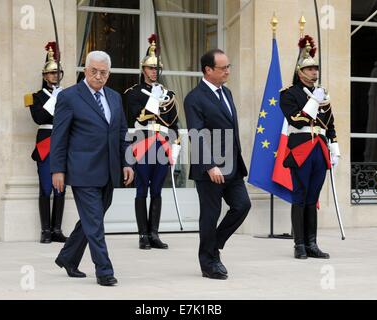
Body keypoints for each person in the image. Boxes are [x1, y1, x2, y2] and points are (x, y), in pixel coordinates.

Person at [50, 51, 134, 286]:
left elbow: (121, 133)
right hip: (82, 170)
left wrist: (127, 162)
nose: (99, 76)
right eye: (94, 71)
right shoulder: (69, 97)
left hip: (109, 171)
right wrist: (57, 169)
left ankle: (68, 257)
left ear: (109, 73)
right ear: (85, 70)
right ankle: (104, 270)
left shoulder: (115, 97)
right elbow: (59, 136)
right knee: (95, 222)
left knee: (91, 220)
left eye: (103, 72)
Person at [184, 49, 251, 280]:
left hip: (232, 166)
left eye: (228, 66)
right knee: (210, 216)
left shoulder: (227, 93)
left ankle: (214, 247)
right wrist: (210, 164)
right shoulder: (194, 98)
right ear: (208, 70)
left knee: (242, 206)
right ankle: (208, 263)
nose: (227, 71)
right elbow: (197, 133)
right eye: (223, 68)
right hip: (210, 170)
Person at [279, 35, 340, 260]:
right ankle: (299, 244)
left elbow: (330, 122)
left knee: (313, 198)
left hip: (319, 149)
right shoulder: (288, 94)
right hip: (301, 147)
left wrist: (334, 146)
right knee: (300, 195)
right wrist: (314, 100)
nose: (315, 72)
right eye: (310, 69)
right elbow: (296, 120)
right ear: (300, 72)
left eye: (316, 69)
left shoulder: (321, 93)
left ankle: (312, 243)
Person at [124, 35, 180, 250]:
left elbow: (174, 123)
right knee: (142, 190)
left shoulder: (168, 94)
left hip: (162, 144)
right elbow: (136, 117)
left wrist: (175, 146)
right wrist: (154, 98)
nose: (154, 72)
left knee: (157, 189)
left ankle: (154, 233)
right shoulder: (134, 93)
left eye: (156, 69)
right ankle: (142, 234)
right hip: (143, 142)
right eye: (150, 68)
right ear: (143, 70)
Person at [25, 43, 67, 244]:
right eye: (51, 73)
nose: (55, 76)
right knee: (45, 187)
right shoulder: (35, 97)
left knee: (61, 187)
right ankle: (45, 230)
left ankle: (57, 229)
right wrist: (53, 100)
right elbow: (39, 118)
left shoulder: (67, 95)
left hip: (63, 143)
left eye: (57, 72)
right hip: (45, 143)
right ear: (44, 76)